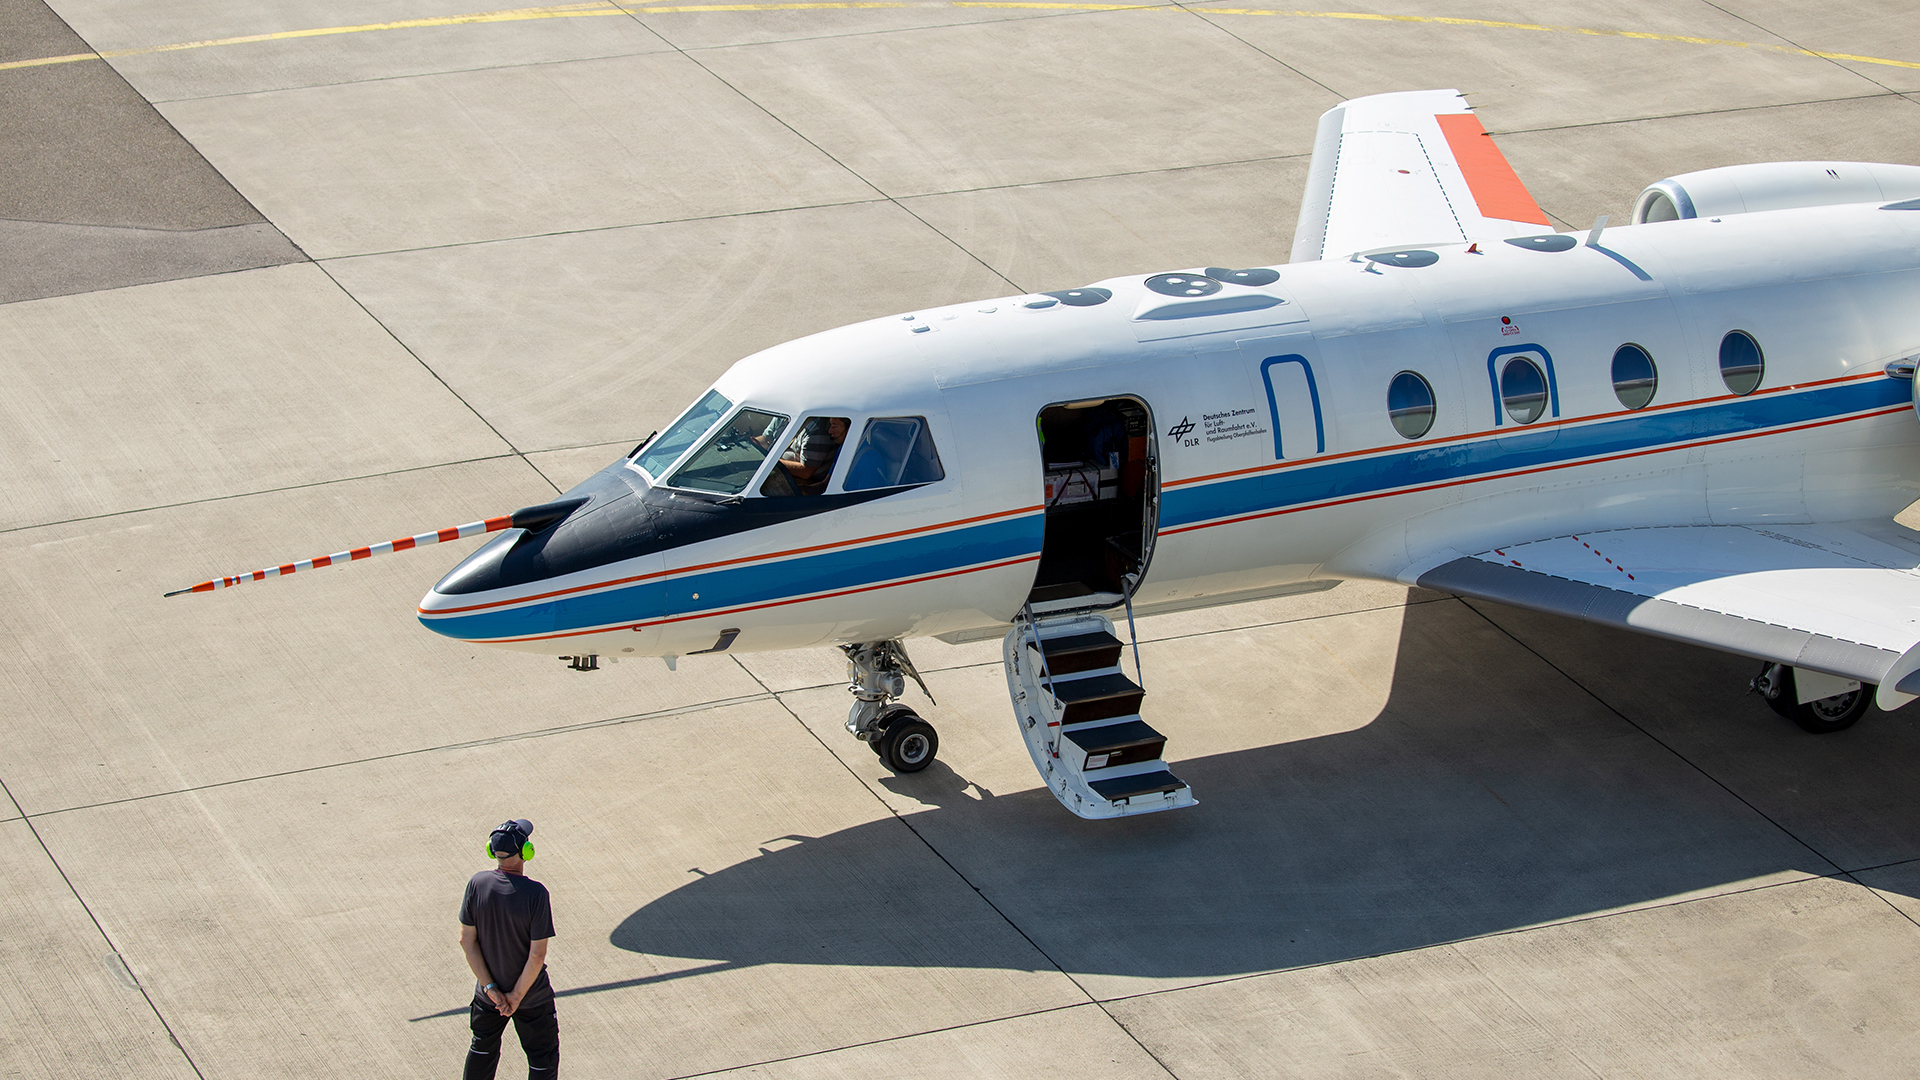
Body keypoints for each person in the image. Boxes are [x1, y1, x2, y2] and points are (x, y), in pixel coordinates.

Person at [459, 819, 558, 1079]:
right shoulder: (536, 894)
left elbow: (466, 941)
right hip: (532, 997)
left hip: (487, 998)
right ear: (526, 851)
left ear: (493, 851)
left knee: (482, 1051)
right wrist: (515, 996)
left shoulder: (477, 884)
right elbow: (537, 956)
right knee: (541, 1061)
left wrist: (491, 988)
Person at [775, 415, 848, 496]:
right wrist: (798, 489)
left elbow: (807, 472)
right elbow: (824, 485)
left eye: (835, 426)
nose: (830, 431)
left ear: (848, 428)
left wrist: (774, 463)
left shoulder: (818, 430)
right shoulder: (841, 450)